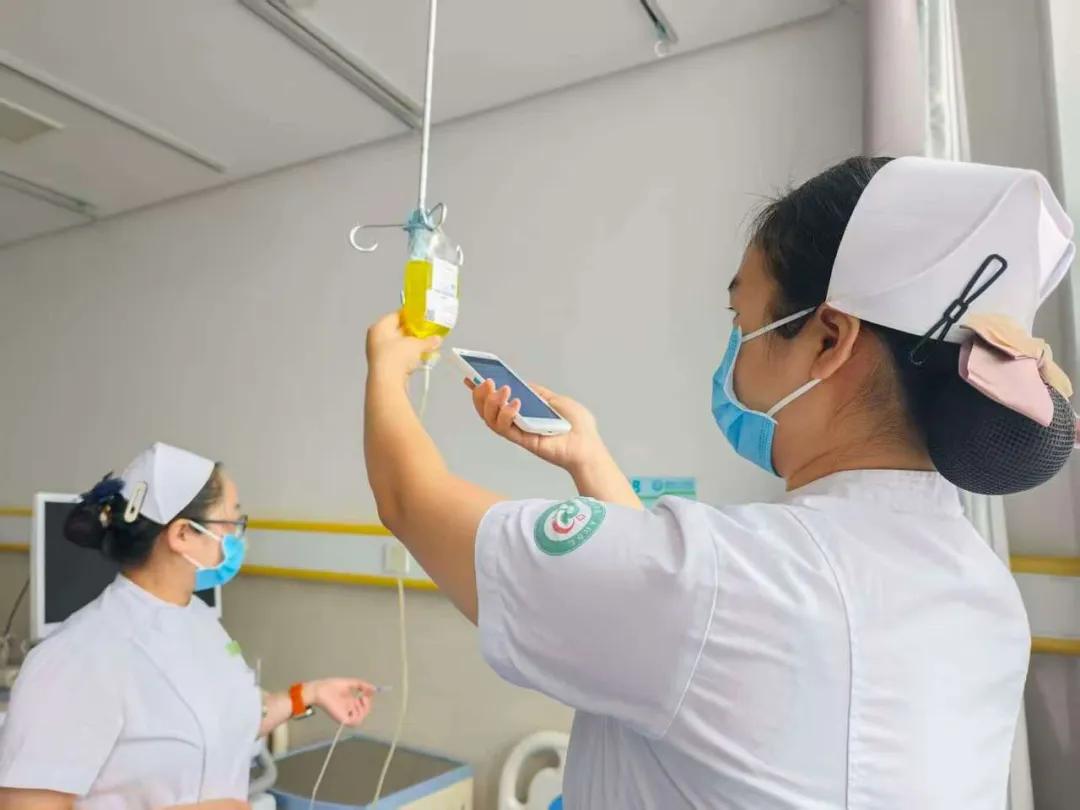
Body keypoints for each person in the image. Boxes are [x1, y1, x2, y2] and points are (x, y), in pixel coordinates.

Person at [362, 156, 1076, 808]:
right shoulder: (986, 596)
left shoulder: (734, 580)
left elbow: (409, 502)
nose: (733, 352)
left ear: (829, 339)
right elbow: (682, 634)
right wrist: (589, 459)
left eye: (742, 319)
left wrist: (387, 369)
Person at [0, 442, 376, 810]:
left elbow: (226, 718)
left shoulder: (198, 619)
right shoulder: (76, 657)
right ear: (182, 534)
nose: (238, 537)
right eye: (231, 521)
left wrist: (307, 694)